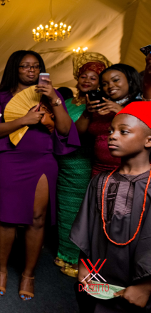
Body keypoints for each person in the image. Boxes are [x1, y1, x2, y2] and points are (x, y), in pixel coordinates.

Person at [0, 50, 79, 300]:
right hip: (10, 159)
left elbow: (63, 129)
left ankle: (29, 274)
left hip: (42, 160)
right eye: (24, 66)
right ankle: (2, 270)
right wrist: (25, 119)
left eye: (35, 66)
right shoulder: (0, 97)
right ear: (14, 69)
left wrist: (55, 99)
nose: (30, 70)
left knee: (37, 218)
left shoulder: (53, 95)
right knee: (6, 217)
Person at [70, 102, 151, 312]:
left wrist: (146, 286)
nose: (112, 136)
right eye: (111, 131)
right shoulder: (101, 181)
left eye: (124, 132)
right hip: (98, 276)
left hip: (139, 283)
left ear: (149, 140)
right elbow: (86, 228)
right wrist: (84, 265)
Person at [55, 52, 111, 277]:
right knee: (64, 211)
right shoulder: (67, 103)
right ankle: (63, 254)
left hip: (88, 163)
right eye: (83, 76)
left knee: (85, 213)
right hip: (64, 163)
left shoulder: (104, 105)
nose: (86, 80)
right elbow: (62, 131)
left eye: (93, 77)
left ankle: (80, 259)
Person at [76, 63, 143, 177]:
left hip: (130, 172)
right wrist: (87, 112)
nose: (110, 86)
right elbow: (77, 134)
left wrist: (121, 111)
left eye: (116, 80)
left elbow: (144, 133)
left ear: (130, 80)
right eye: (104, 84)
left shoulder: (141, 105)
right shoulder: (101, 106)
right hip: (99, 170)